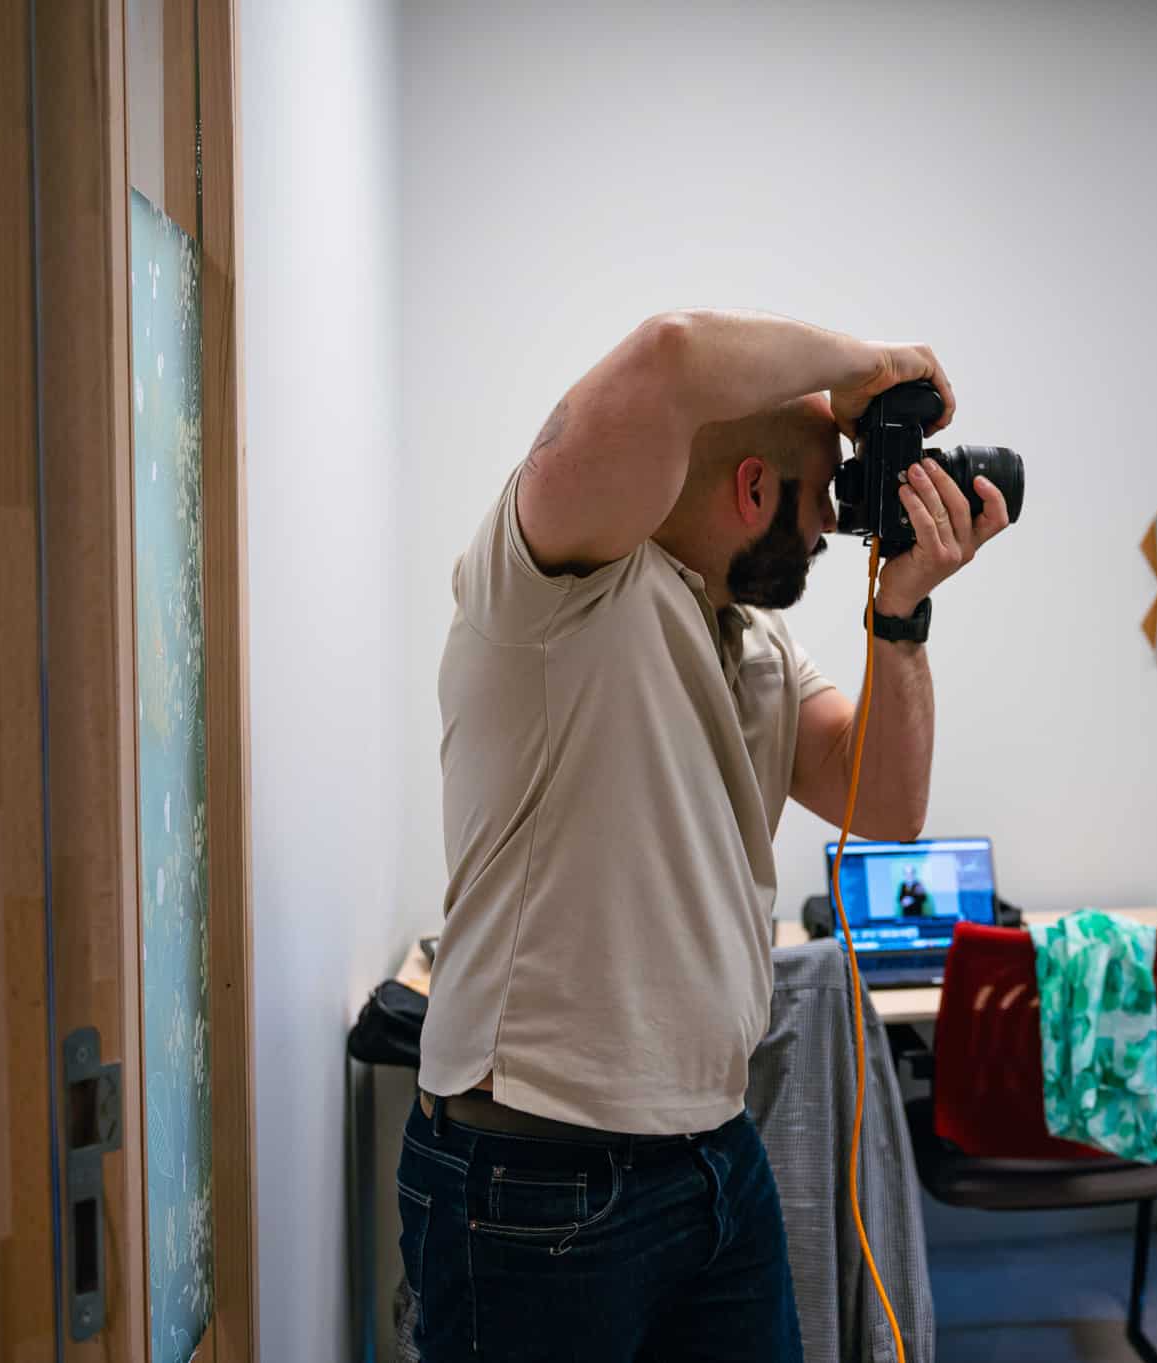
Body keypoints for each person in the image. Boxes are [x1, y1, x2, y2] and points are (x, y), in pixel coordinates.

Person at [397, 310, 1012, 1361]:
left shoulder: (755, 636)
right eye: (823, 497)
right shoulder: (556, 586)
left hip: (712, 1155)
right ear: (753, 489)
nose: (832, 532)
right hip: (537, 1176)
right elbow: (670, 355)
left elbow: (886, 806)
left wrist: (901, 611)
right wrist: (872, 370)